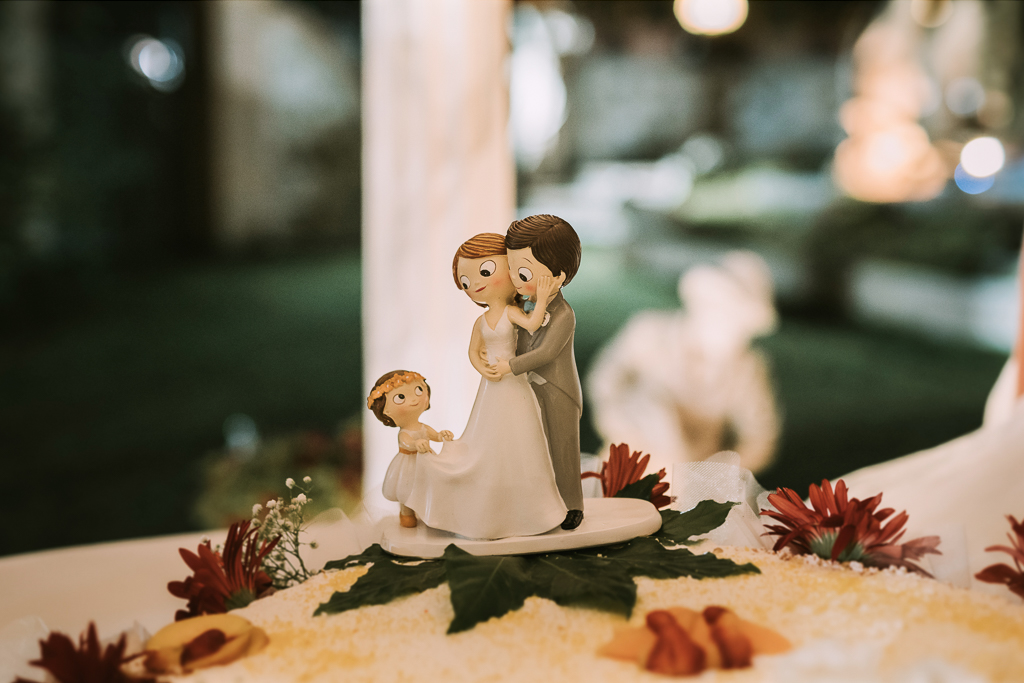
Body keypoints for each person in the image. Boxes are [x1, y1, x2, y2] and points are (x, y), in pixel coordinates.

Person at [402, 233, 567, 539]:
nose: (474, 284)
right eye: (465, 281)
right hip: (492, 386)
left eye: (485, 272)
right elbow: (473, 351)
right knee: (488, 439)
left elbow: (532, 324)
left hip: (513, 383)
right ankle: (486, 506)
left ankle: (530, 509)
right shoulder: (481, 321)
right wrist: (482, 368)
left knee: (520, 439)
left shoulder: (510, 313)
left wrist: (541, 298)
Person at [491, 215, 586, 530]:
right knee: (532, 448)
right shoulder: (522, 305)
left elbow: (545, 353)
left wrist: (510, 365)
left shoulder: (564, 315)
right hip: (528, 388)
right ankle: (537, 505)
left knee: (562, 450)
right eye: (513, 270)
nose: (517, 282)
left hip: (557, 391)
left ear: (557, 278)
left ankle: (572, 505)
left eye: (524, 273)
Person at [368, 370, 453, 528]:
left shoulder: (422, 427)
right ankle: (406, 514)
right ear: (386, 411)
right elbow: (406, 442)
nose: (414, 399)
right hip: (408, 464)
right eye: (401, 397)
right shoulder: (404, 432)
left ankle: (427, 512)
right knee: (406, 489)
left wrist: (442, 435)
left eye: (419, 390)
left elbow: (434, 435)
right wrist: (416, 444)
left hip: (427, 462)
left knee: (428, 487)